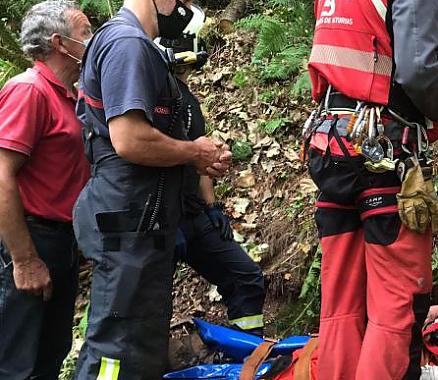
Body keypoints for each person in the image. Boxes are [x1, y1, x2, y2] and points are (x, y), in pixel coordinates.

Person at [304, 1, 438, 378]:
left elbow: (382, 43)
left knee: (342, 305)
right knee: (396, 305)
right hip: (383, 152)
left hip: (330, 145)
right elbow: (416, 69)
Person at [72, 0, 232, 378]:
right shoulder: (127, 44)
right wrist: (194, 151)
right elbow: (129, 139)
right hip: (130, 221)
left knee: (139, 339)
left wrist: (199, 155)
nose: (182, 8)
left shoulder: (133, 44)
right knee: (117, 350)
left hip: (142, 221)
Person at [158, 15, 268, 336]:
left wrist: (212, 207)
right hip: (162, 217)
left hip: (193, 214)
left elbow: (201, 161)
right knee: (151, 303)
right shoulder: (149, 93)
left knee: (245, 276)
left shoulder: (188, 98)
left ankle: (246, 355)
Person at [0, 2, 91, 378]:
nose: (92, 39)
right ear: (59, 42)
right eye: (85, 32)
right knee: (15, 360)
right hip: (32, 239)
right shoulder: (29, 91)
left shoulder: (68, 94)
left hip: (62, 242)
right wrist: (24, 260)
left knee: (51, 352)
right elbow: (1, 175)